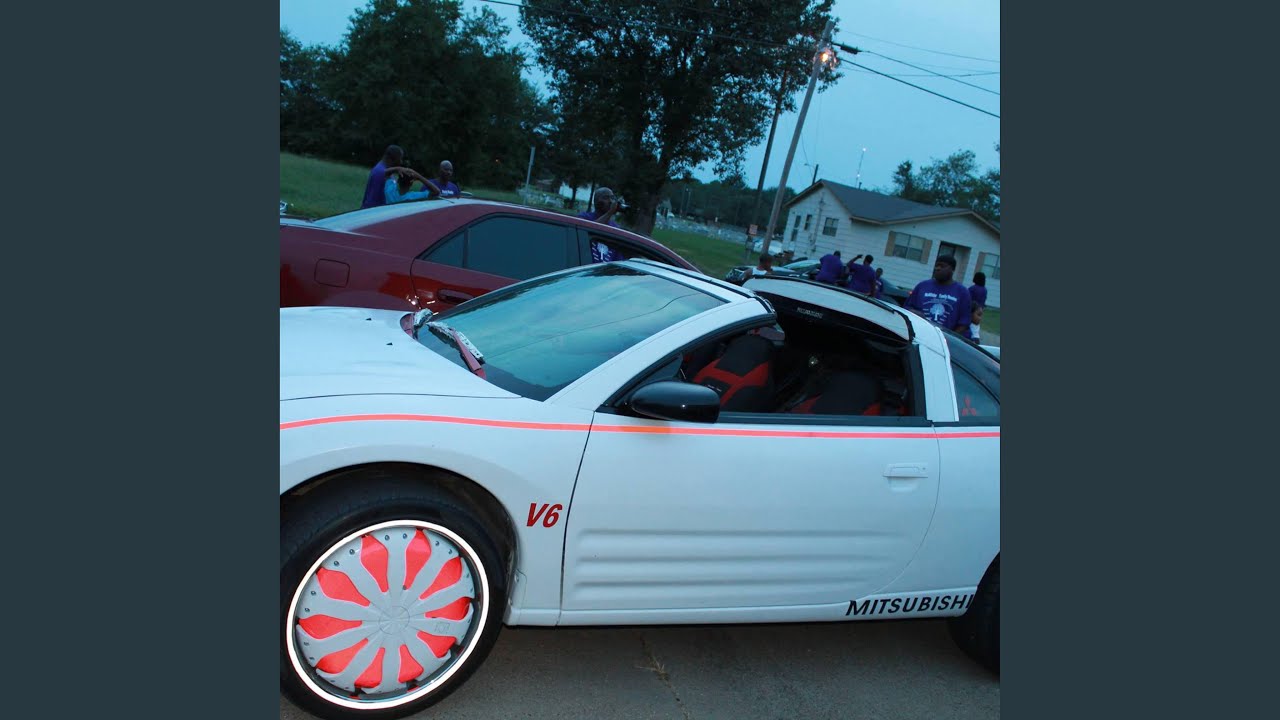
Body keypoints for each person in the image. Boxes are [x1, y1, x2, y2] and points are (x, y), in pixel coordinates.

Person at [906, 255, 972, 334]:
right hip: (919, 334)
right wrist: (915, 313)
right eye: (936, 266)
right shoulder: (922, 286)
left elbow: (964, 323)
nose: (937, 268)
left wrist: (949, 337)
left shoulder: (962, 292)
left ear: (952, 269)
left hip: (945, 338)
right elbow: (907, 308)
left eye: (942, 266)